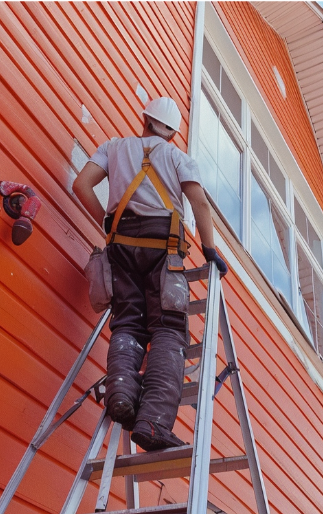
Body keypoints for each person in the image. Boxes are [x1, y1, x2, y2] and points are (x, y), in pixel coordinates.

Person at [72, 97, 228, 451]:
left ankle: (122, 397)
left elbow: (81, 185)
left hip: (121, 246)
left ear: (144, 119)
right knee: (168, 330)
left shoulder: (114, 148)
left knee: (127, 324)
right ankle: (154, 423)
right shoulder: (178, 157)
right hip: (163, 247)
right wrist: (209, 249)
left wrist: (107, 227)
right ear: (172, 131)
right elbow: (199, 202)